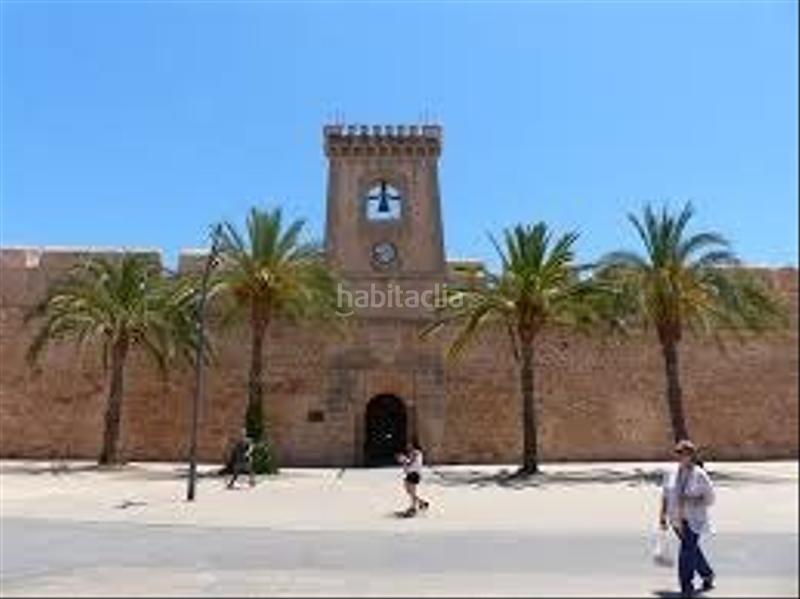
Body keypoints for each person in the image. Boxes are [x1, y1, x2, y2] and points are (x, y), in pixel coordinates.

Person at [659, 439, 716, 598]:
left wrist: (691, 500)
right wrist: (662, 516)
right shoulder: (670, 472)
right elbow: (664, 495)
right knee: (692, 550)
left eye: (686, 454)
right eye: (679, 454)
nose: (682, 457)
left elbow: (711, 499)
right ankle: (707, 574)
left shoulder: (700, 475)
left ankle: (686, 585)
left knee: (686, 551)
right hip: (676, 520)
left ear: (692, 455)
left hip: (694, 520)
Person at [396, 441, 430, 517]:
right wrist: (404, 461)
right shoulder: (413, 453)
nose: (408, 447)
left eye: (410, 445)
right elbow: (408, 465)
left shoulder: (416, 453)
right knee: (409, 490)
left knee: (412, 491)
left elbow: (411, 463)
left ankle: (413, 508)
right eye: (408, 445)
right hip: (411, 473)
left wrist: (403, 460)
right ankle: (422, 503)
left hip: (414, 474)